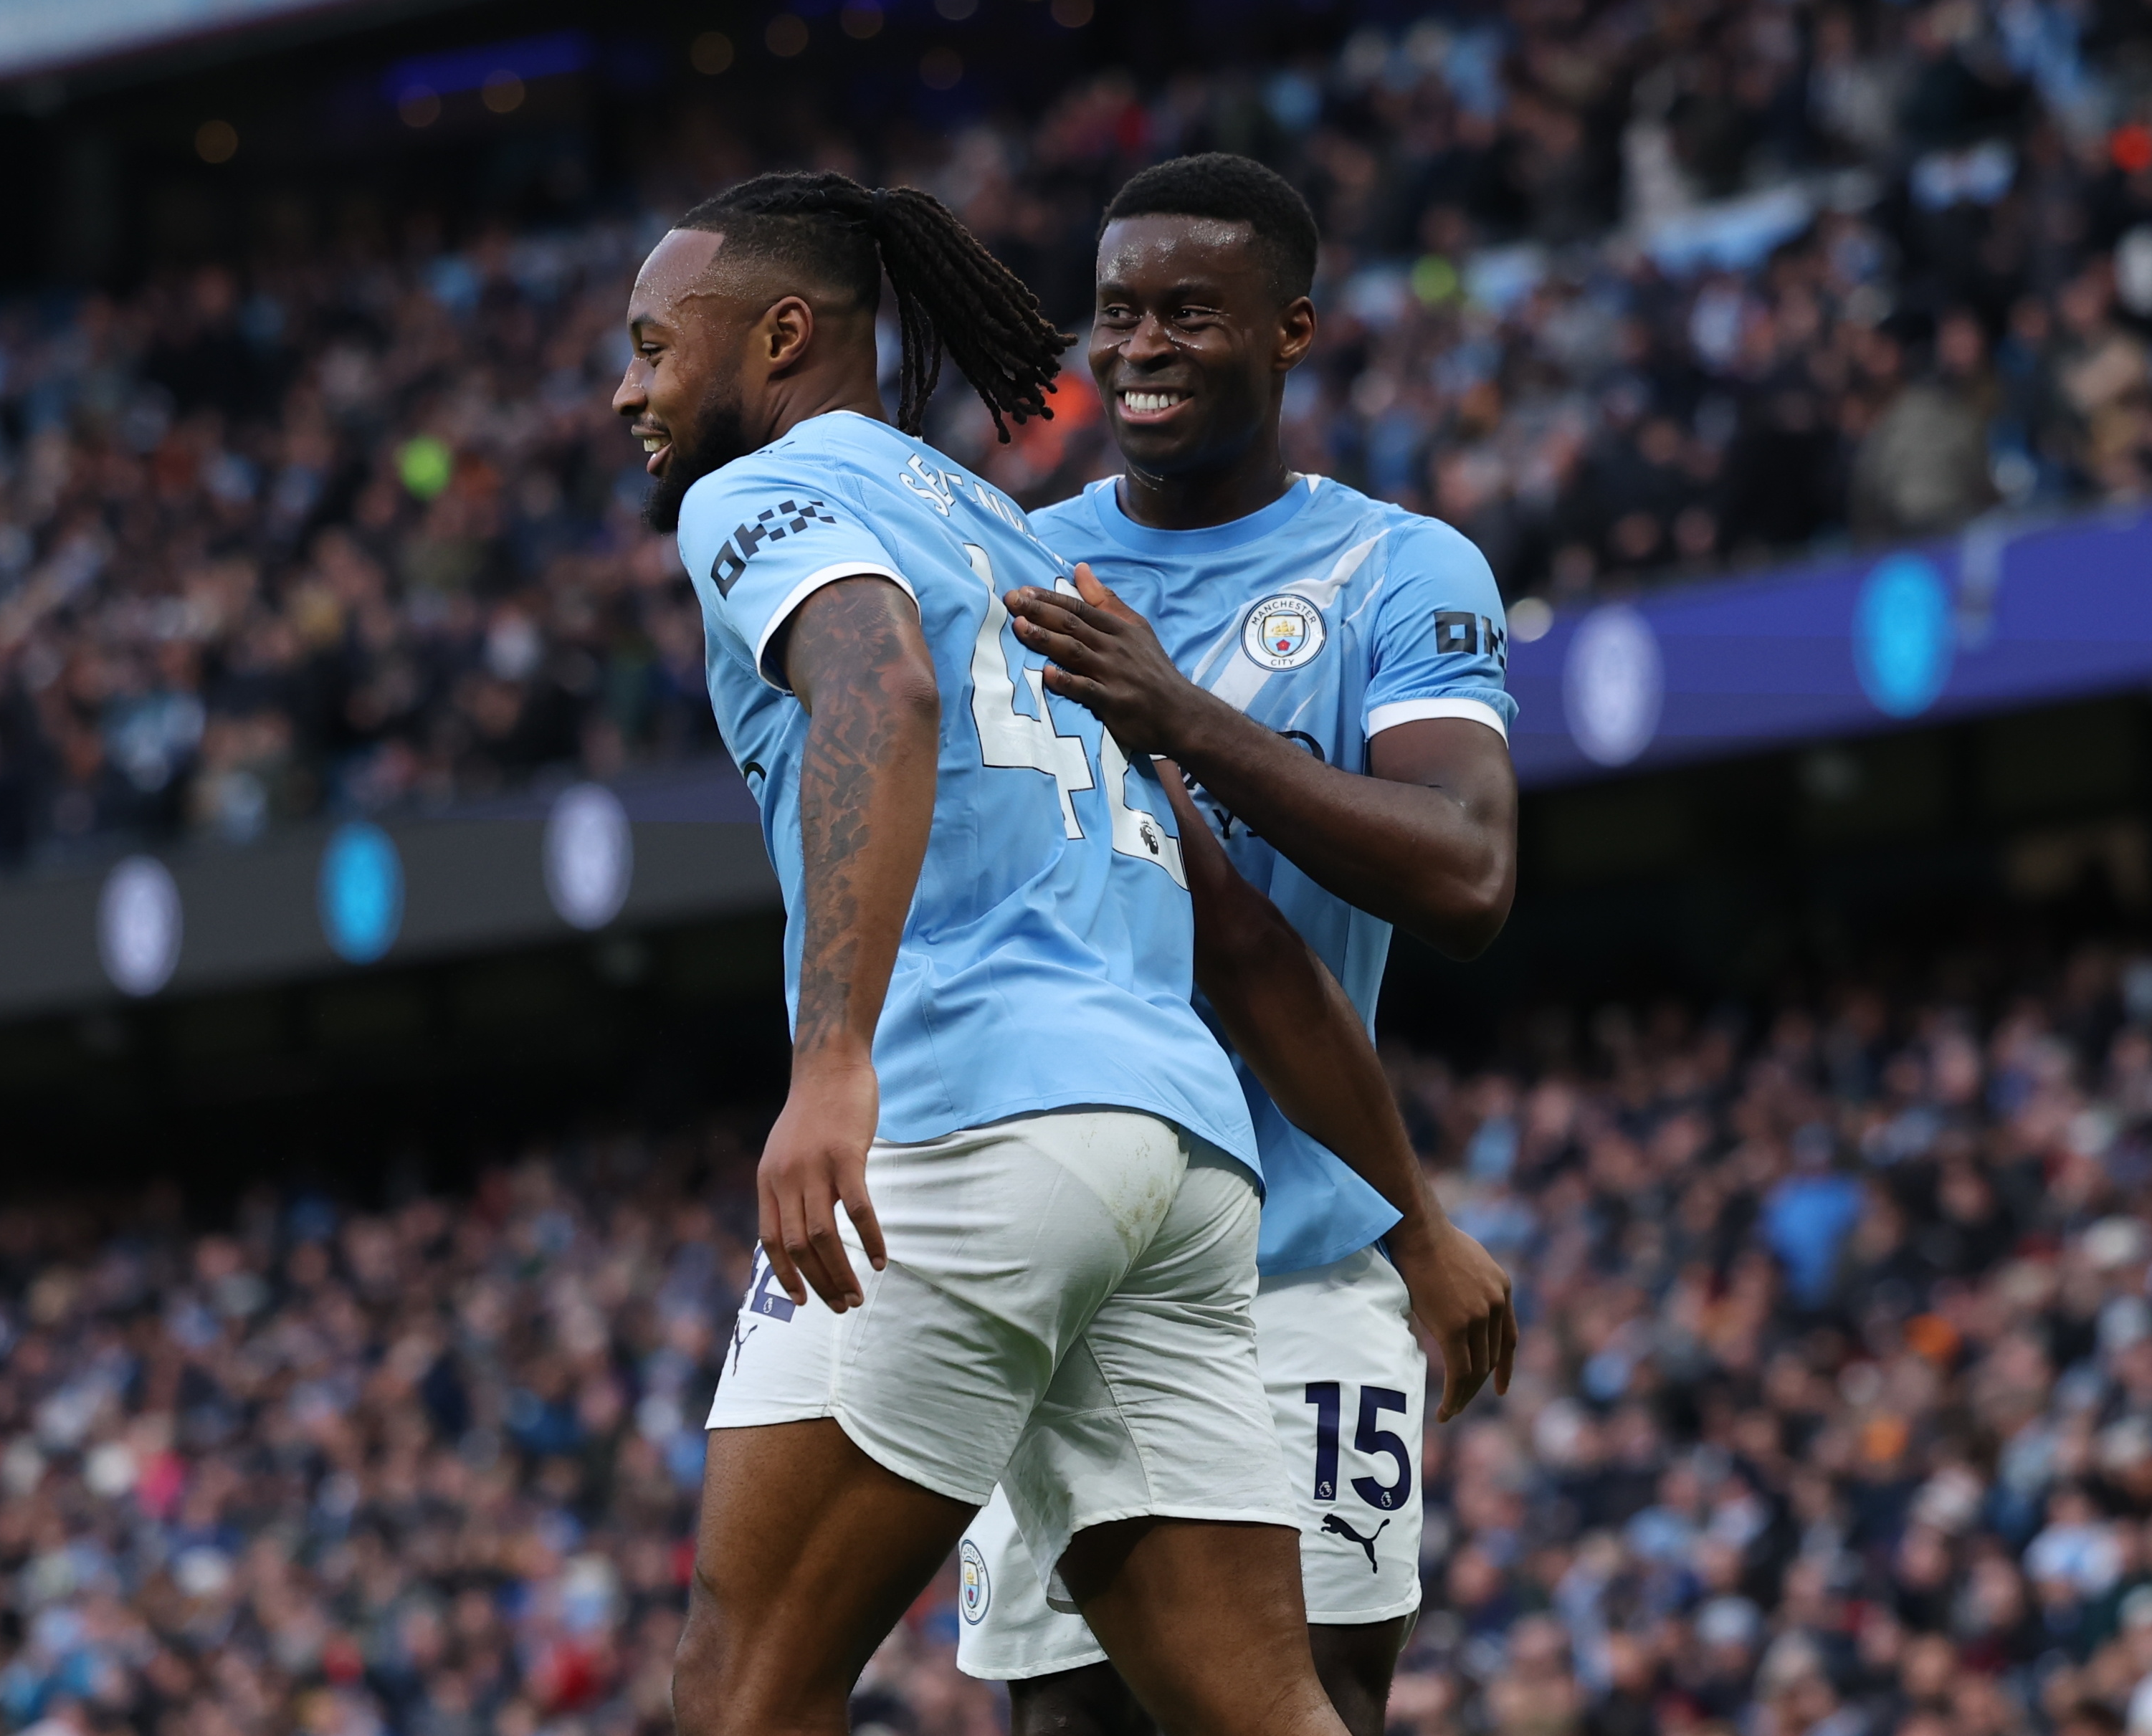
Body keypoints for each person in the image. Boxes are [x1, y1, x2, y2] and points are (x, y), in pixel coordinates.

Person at [618, 168, 1411, 1736]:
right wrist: (1422, 1214)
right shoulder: (1011, 529)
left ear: (782, 336)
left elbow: (880, 691)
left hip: (967, 1115)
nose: (628, 386)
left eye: (651, 343)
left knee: (739, 1691)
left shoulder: (757, 496)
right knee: (1268, 1710)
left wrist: (832, 1056)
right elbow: (1230, 920)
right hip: (1174, 1154)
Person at [960, 153, 1523, 1736]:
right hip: (1067, 1265)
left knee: (1310, 1704)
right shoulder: (1014, 564)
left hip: (1301, 1263)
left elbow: (1469, 875)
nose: (1136, 345)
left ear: (1292, 332)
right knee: (1067, 1714)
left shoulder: (1397, 571)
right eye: (1118, 311)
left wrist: (1185, 717)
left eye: (1189, 314)